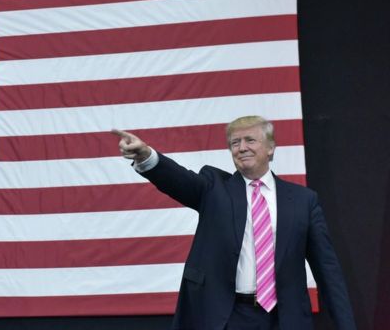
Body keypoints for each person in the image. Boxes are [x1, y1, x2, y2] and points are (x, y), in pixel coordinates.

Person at [113, 116, 355, 330]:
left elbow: (328, 271)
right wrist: (146, 156)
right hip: (227, 316)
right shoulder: (214, 188)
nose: (241, 148)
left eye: (250, 140)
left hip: (283, 318)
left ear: (270, 148)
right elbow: (179, 180)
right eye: (235, 143)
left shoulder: (303, 201)